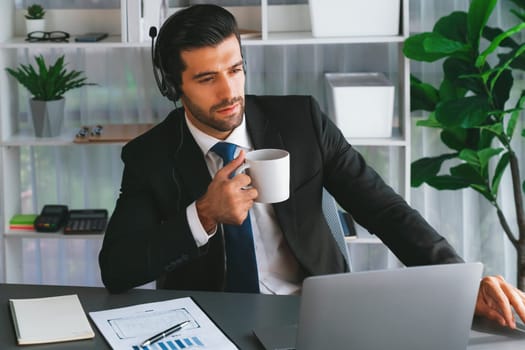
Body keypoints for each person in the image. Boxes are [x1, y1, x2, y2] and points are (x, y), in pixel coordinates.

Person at [99, 4, 525, 329]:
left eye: (235, 69)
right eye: (207, 79)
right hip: (212, 322)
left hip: (314, 312)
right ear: (174, 86)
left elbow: (384, 209)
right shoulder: (148, 156)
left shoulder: (301, 120)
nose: (229, 92)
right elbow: (117, 269)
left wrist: (461, 281)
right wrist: (204, 214)